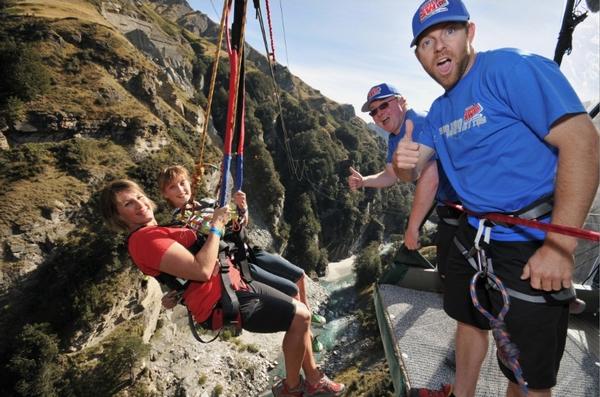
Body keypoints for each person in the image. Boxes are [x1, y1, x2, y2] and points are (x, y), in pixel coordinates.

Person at [393, 1, 599, 397]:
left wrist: (560, 247)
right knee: (469, 322)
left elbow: (583, 142)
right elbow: (415, 168)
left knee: (526, 377)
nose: (438, 48)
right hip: (474, 239)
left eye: (448, 33)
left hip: (530, 244)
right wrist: (403, 166)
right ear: (418, 55)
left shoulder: (511, 69)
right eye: (426, 42)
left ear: (470, 33)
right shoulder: (438, 112)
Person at [99, 179, 344, 397]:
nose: (139, 204)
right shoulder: (143, 240)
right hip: (220, 299)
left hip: (233, 284)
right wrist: (216, 225)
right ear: (118, 216)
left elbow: (181, 271)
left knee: (301, 314)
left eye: (139, 197)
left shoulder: (159, 230)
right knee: (300, 317)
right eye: (128, 204)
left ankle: (311, 379)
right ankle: (292, 389)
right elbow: (202, 270)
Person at [157, 166, 328, 332]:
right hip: (236, 263)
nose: (181, 189)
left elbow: (239, 222)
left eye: (182, 182)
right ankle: (305, 329)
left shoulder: (207, 202)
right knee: (291, 289)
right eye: (173, 187)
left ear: (189, 182)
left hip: (248, 250)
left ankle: (307, 317)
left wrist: (242, 208)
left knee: (299, 275)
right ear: (165, 194)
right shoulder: (178, 225)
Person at [349, 83, 459, 278]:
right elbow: (391, 175)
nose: (379, 114)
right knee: (450, 273)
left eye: (383, 105)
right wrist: (364, 181)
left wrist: (413, 228)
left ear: (401, 101)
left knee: (458, 274)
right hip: (451, 207)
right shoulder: (395, 136)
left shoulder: (416, 124)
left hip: (468, 206)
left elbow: (430, 178)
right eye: (373, 112)